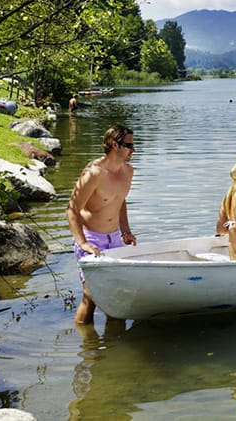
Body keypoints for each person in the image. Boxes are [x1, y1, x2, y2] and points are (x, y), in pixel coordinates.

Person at [66, 124, 137, 324]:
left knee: (117, 296)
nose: (134, 149)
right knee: (91, 295)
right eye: (129, 145)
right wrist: (83, 243)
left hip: (114, 237)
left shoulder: (128, 171)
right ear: (115, 145)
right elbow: (71, 209)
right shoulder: (93, 174)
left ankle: (114, 347)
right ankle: (86, 347)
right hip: (91, 237)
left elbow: (120, 201)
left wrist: (126, 231)